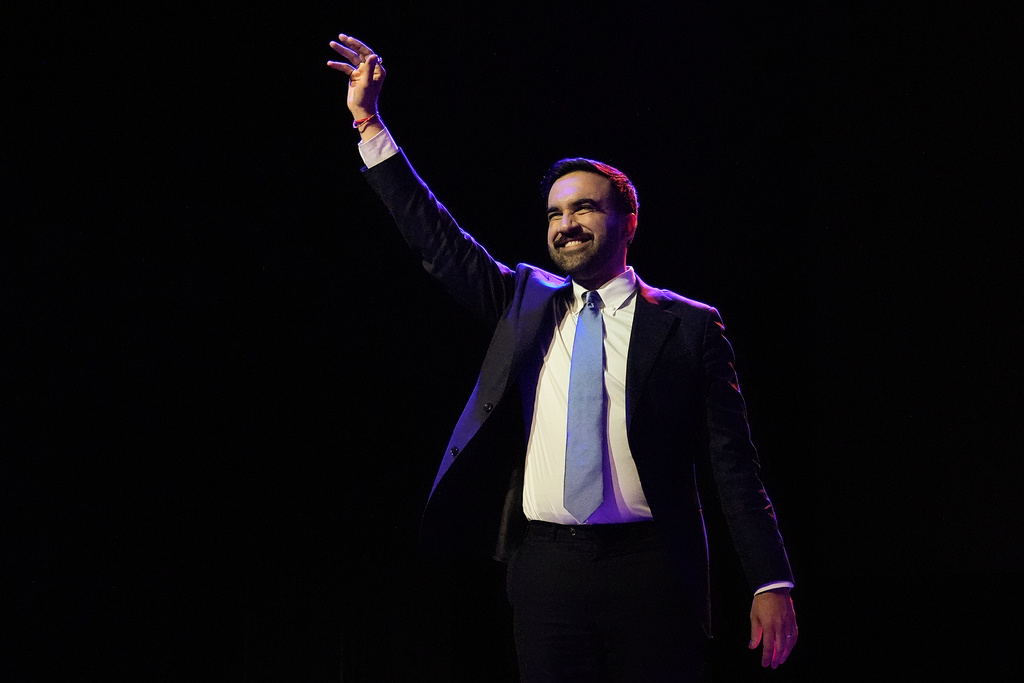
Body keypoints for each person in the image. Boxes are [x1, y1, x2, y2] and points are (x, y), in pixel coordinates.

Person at [328, 33, 798, 681]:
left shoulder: (690, 327)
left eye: (584, 207)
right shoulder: (526, 300)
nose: (565, 222)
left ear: (627, 220)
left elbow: (732, 465)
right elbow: (437, 240)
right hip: (546, 567)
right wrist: (370, 122)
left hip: (652, 567)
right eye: (554, 212)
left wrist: (770, 578)